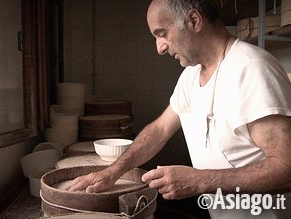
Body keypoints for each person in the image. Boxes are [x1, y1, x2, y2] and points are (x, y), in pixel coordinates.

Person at [65, 0, 291, 218]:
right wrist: (113, 171)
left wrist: (199, 180)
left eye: (162, 34)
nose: (159, 48)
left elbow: (286, 168)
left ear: (193, 20)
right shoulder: (191, 75)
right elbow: (160, 129)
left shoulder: (252, 70)